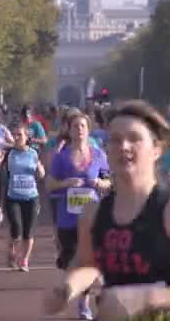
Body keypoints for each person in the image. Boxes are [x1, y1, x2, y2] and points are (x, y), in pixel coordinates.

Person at [44, 100, 170, 320]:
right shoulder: (93, 213)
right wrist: (67, 288)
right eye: (115, 140)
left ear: (156, 149)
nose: (123, 146)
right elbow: (87, 266)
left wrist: (148, 299)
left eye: (134, 138)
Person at [45, 111, 111, 320]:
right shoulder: (61, 157)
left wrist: (100, 183)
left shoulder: (99, 155)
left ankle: (84, 301)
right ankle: (78, 297)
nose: (79, 130)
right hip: (68, 218)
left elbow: (109, 181)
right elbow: (49, 184)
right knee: (72, 262)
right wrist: (66, 183)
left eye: (83, 126)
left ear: (88, 129)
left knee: (90, 262)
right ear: (70, 130)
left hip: (92, 217)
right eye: (75, 126)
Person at [0, 123, 45, 271]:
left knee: (28, 232)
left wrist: (39, 167)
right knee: (16, 230)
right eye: (15, 135)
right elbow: (1, 172)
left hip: (31, 197)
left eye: (20, 135)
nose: (17, 137)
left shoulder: (33, 153)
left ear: (27, 138)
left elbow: (41, 174)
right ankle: (11, 253)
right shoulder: (10, 153)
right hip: (13, 197)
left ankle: (24, 260)